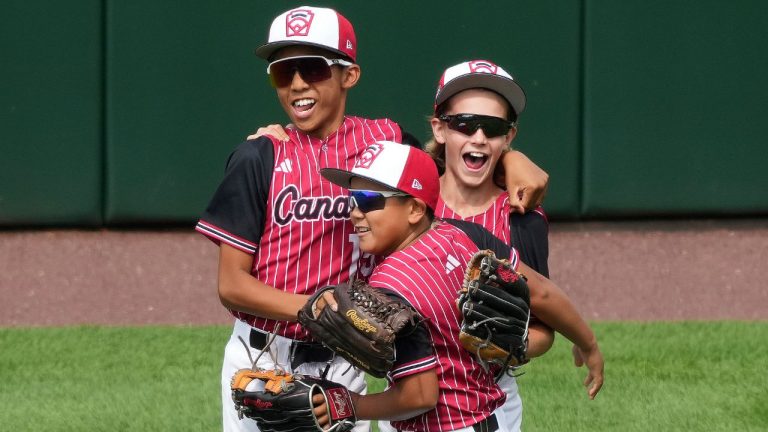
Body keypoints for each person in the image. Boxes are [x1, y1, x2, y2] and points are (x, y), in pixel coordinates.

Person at [197, 6, 550, 431]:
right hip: (262, 358)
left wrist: (511, 160)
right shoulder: (259, 155)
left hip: (348, 363)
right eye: (282, 71)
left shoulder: (388, 142)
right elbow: (232, 286)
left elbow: (448, 175)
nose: (297, 84)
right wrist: (324, 310)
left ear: (350, 75)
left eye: (313, 68)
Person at [315, 140, 604, 431]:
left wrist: (349, 405)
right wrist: (587, 344)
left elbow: (419, 396)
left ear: (415, 209)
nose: (354, 212)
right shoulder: (463, 235)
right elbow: (540, 291)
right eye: (351, 198)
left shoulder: (389, 286)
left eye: (367, 199)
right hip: (493, 416)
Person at [426, 59, 560, 430]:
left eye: (494, 127)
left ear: (509, 137)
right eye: (465, 124)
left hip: (489, 407)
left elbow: (543, 329)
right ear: (440, 129)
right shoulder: (410, 202)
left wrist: (511, 347)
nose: (479, 138)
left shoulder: (523, 219)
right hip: (407, 402)